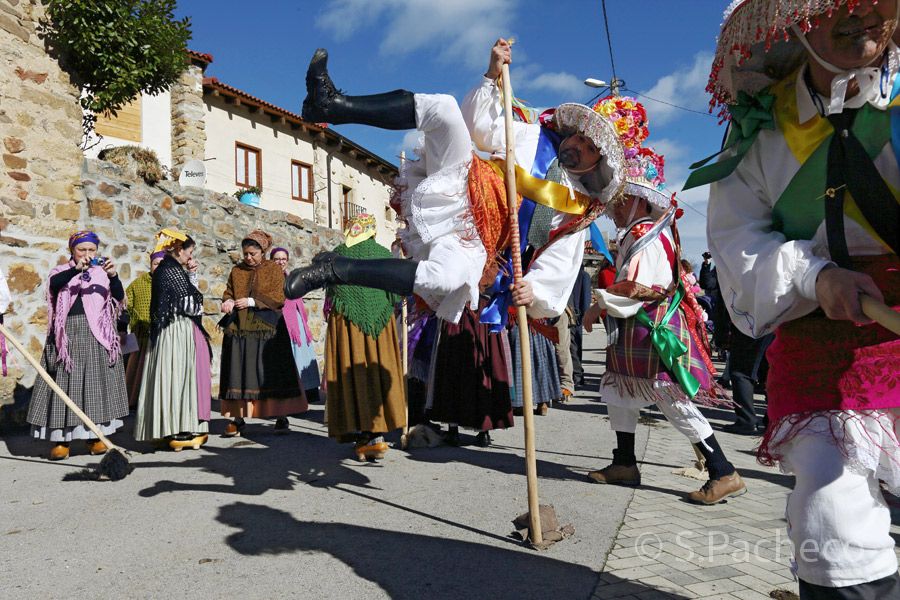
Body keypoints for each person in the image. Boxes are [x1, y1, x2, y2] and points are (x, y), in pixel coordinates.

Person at [688, 1, 900, 596]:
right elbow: (736, 236)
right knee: (832, 520)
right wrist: (817, 277)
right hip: (820, 329)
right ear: (795, 22)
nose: (864, 12)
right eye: (840, 3)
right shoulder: (763, 129)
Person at [285, 39, 626, 330]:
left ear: (599, 164)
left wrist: (534, 292)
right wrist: (493, 73)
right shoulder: (535, 134)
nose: (578, 147)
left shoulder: (579, 211)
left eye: (590, 149)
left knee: (446, 278)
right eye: (581, 138)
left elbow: (559, 265)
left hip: (479, 238)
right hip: (464, 177)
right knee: (444, 109)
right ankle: (332, 104)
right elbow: (480, 124)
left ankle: (332, 270)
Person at [583, 99, 744, 504]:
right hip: (637, 334)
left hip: (651, 332)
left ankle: (723, 471)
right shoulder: (640, 234)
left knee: (671, 402)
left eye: (619, 201)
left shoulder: (648, 236)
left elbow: (644, 288)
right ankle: (624, 461)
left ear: (639, 200)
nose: (612, 209)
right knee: (618, 395)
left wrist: (599, 302)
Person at [26, 231, 128, 460]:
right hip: (67, 336)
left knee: (93, 386)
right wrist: (76, 270)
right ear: (72, 250)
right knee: (66, 384)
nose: (87, 254)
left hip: (96, 334)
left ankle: (94, 437)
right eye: (82, 249)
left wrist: (113, 276)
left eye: (91, 250)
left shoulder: (102, 274)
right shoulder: (62, 272)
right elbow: (54, 286)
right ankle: (62, 440)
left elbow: (118, 298)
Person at [322, 214, 405, 460]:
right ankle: (376, 434)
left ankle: (362, 432)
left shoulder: (338, 254)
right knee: (377, 372)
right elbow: (396, 293)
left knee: (353, 374)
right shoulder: (383, 254)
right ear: (372, 231)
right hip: (381, 326)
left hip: (347, 325)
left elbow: (332, 290)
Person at [219, 230, 307, 436]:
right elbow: (229, 291)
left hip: (269, 328)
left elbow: (279, 297)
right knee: (239, 371)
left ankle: (281, 416)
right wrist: (228, 301)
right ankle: (238, 418)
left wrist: (252, 301)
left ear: (263, 251)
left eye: (253, 254)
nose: (248, 257)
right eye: (246, 254)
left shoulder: (273, 270)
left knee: (271, 372)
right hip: (241, 327)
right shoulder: (237, 270)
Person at [134, 230, 211, 450]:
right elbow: (192, 306)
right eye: (189, 252)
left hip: (166, 330)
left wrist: (190, 276)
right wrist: (196, 295)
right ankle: (179, 429)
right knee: (178, 375)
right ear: (178, 249)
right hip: (176, 329)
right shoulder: (173, 271)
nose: (190, 257)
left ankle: (165, 426)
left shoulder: (165, 269)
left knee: (168, 375)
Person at [271, 247, 321, 404]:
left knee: (303, 357)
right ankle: (293, 398)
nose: (281, 262)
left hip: (297, 323)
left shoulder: (291, 276)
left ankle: (307, 393)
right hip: (283, 321)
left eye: (283, 259)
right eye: (277, 259)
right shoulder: (269, 279)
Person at [124, 250, 165, 408]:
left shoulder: (172, 285)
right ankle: (134, 403)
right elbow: (125, 309)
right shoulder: (137, 284)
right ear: (150, 264)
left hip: (163, 335)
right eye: (156, 264)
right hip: (140, 336)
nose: (159, 267)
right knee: (136, 372)